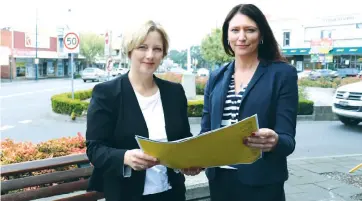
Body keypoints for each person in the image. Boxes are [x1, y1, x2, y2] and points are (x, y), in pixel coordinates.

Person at [85, 20, 200, 201]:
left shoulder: (174, 92)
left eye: (157, 49)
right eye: (142, 47)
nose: (150, 55)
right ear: (130, 50)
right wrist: (125, 157)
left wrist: (190, 162)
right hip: (127, 194)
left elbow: (183, 139)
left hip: (172, 193)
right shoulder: (107, 93)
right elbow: (95, 148)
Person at [200, 4, 298, 201]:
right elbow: (206, 133)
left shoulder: (282, 74)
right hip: (220, 180)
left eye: (250, 30)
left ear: (261, 35)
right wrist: (194, 158)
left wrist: (275, 141)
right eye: (235, 30)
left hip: (262, 183)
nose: (241, 37)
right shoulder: (216, 77)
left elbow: (288, 140)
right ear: (227, 36)